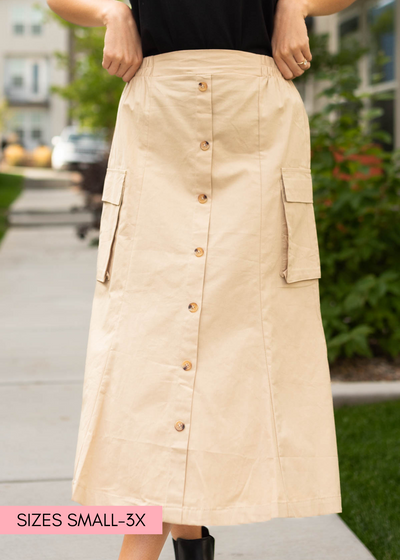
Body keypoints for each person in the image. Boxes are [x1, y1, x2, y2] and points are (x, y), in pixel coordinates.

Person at [47, 1, 357, 559]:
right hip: (156, 120)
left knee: (232, 347)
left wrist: (297, 4)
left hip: (256, 125)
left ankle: (164, 545)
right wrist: (110, 11)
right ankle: (188, 540)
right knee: (147, 352)